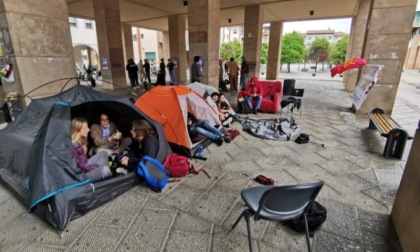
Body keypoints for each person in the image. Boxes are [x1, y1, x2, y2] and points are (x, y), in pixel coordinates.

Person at [71, 118, 112, 182]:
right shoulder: (75, 146)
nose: (88, 129)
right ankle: (108, 175)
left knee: (103, 153)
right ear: (78, 130)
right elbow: (84, 167)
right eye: (85, 128)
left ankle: (101, 173)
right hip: (80, 175)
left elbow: (83, 162)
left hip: (83, 166)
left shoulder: (81, 140)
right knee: (105, 170)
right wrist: (97, 166)